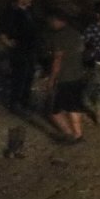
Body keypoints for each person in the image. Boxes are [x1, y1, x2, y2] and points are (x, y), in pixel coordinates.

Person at [43, 10, 87, 142]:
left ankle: (69, 133)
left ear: (57, 20)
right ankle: (78, 134)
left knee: (53, 111)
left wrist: (51, 79)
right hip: (77, 75)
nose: (50, 24)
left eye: (51, 21)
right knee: (74, 106)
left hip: (64, 77)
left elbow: (57, 60)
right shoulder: (76, 33)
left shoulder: (59, 37)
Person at [1, 0, 40, 113]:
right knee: (20, 76)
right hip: (20, 50)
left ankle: (25, 102)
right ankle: (15, 103)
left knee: (29, 76)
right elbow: (3, 31)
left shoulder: (30, 11)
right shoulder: (11, 12)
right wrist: (8, 43)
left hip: (31, 49)